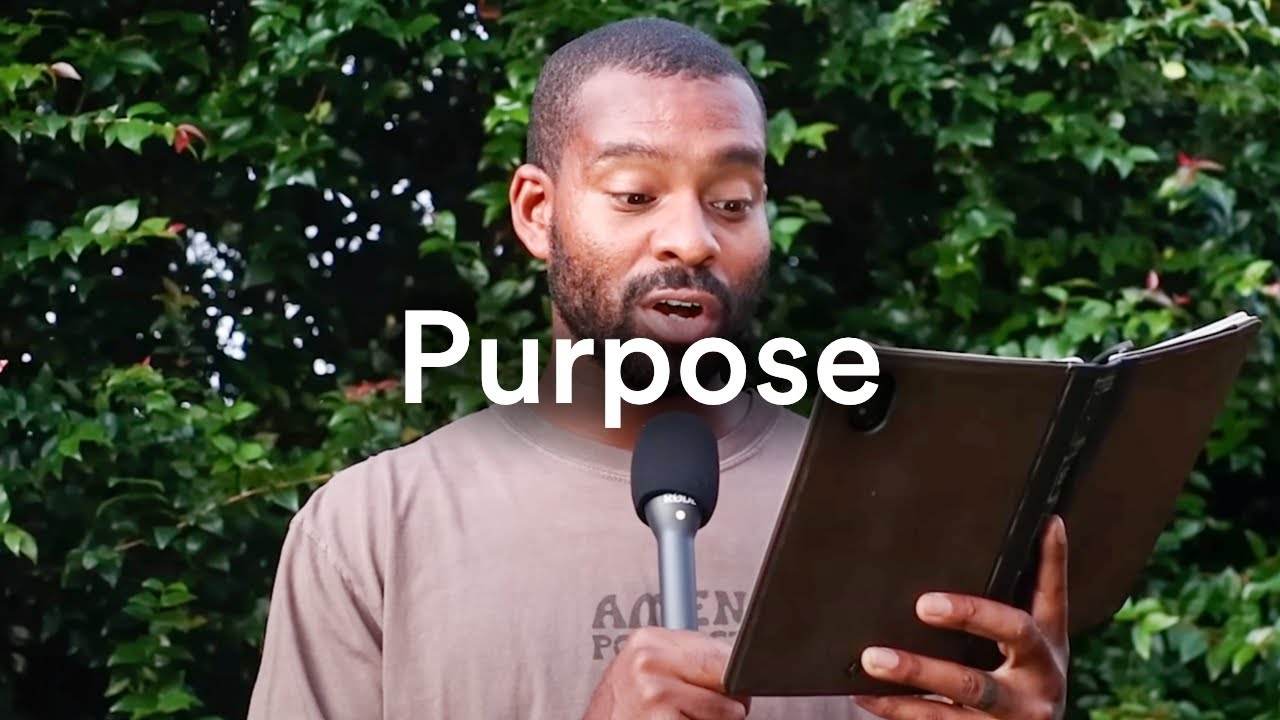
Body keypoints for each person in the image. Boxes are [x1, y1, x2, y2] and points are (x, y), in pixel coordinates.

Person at [246, 17, 1069, 720]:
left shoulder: (894, 511)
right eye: (636, 195)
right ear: (537, 212)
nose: (692, 240)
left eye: (732, 202)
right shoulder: (373, 532)